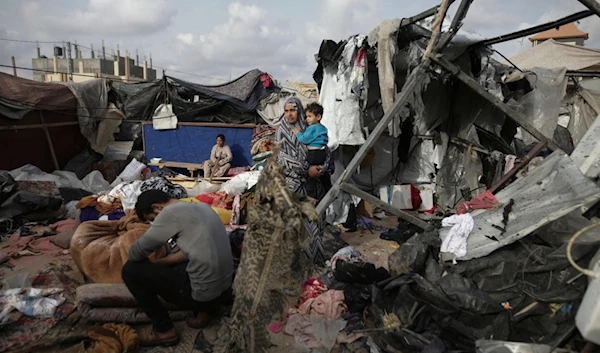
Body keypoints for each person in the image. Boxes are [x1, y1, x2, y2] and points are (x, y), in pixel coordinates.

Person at [122, 190, 234, 347]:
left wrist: (148, 262)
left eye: (153, 219)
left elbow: (136, 253)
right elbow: (190, 251)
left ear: (157, 208)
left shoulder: (170, 213)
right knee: (180, 264)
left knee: (130, 270)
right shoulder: (202, 207)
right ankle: (206, 311)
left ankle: (164, 330)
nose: (155, 223)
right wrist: (160, 263)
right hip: (223, 292)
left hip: (202, 298)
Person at [276, 97, 334, 264]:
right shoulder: (282, 131)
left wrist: (322, 168)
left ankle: (315, 259)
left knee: (314, 223)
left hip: (314, 185)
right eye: (286, 111)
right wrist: (305, 169)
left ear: (299, 111)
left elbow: (325, 149)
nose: (289, 114)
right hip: (294, 184)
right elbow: (281, 157)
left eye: (292, 110)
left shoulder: (309, 126)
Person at [293, 102, 331, 196]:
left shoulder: (313, 128)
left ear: (318, 117)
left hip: (314, 153)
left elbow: (304, 139)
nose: (307, 119)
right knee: (322, 174)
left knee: (310, 172)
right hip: (322, 153)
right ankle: (328, 188)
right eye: (306, 117)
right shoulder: (323, 128)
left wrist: (298, 133)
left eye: (310, 116)